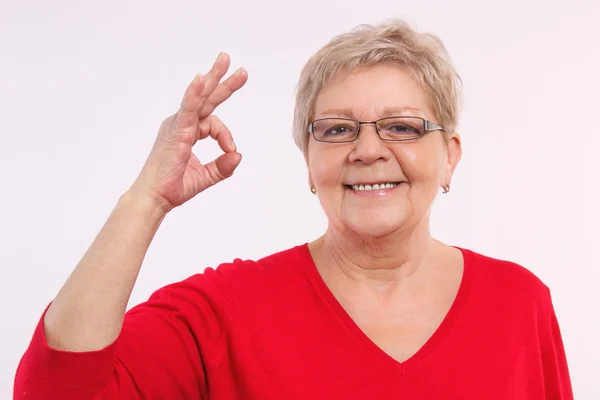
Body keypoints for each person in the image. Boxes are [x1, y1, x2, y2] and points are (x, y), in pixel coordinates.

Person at [14, 19, 573, 399]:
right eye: (337, 129)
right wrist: (146, 200)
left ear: (449, 156)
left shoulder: (520, 304)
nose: (369, 149)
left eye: (401, 126)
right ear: (309, 162)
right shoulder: (224, 312)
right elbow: (54, 389)